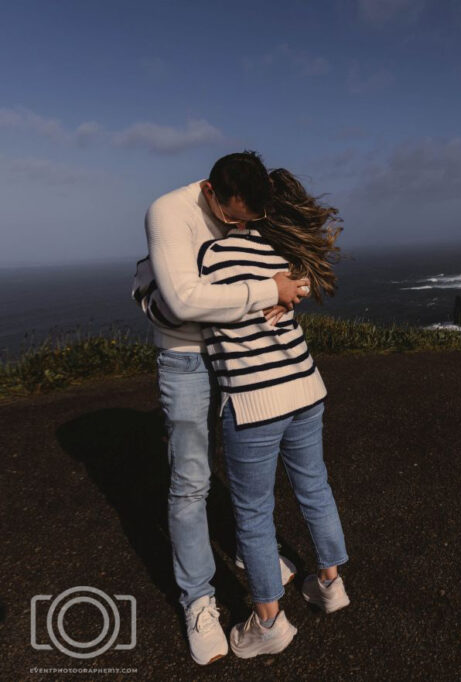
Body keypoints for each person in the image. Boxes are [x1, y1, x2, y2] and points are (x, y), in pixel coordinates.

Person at [137, 151, 312, 665]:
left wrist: (289, 291)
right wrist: (266, 290)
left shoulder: (251, 209)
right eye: (233, 218)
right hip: (188, 359)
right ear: (211, 190)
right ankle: (199, 600)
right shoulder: (169, 211)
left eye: (248, 222)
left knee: (244, 467)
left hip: (243, 354)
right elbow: (185, 300)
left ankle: (246, 547)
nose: (239, 227)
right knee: (191, 482)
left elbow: (277, 267)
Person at [196, 167, 349, 659]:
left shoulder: (211, 256)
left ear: (224, 201)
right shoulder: (282, 253)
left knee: (254, 513)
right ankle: (330, 584)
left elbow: (182, 304)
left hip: (255, 400)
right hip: (305, 387)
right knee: (314, 486)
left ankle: (269, 622)